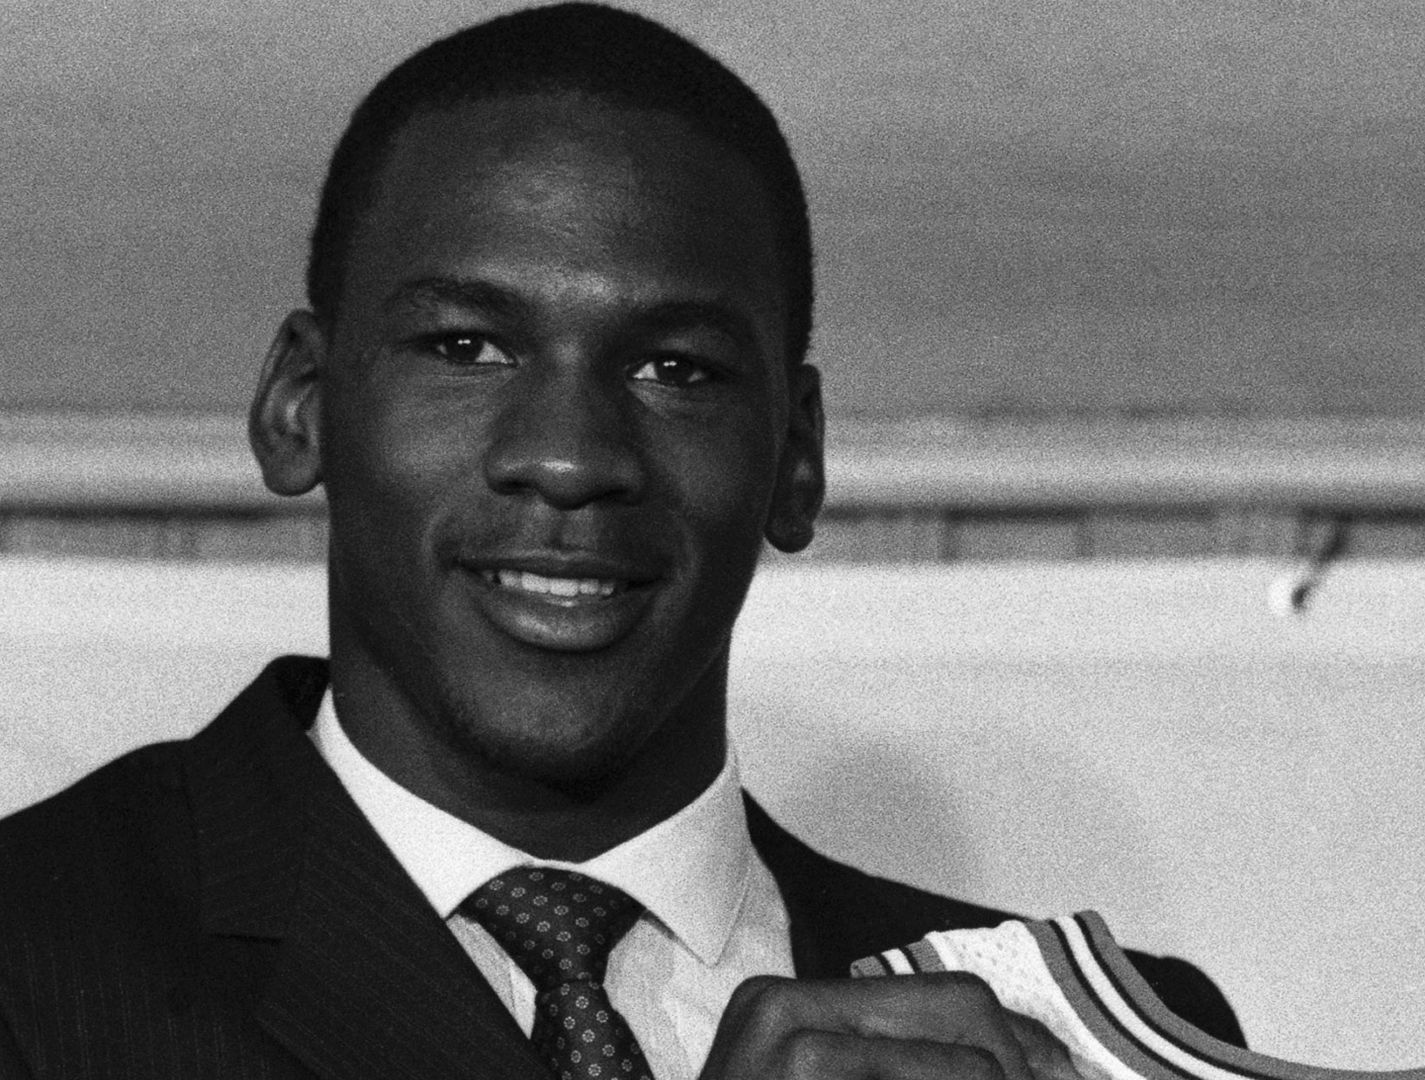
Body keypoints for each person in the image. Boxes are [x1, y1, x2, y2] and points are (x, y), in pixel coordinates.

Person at [0, 4, 1241, 1079]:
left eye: (675, 368)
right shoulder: (32, 963)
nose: (573, 455)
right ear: (299, 407)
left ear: (796, 461)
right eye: (466, 348)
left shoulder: (1075, 1042)